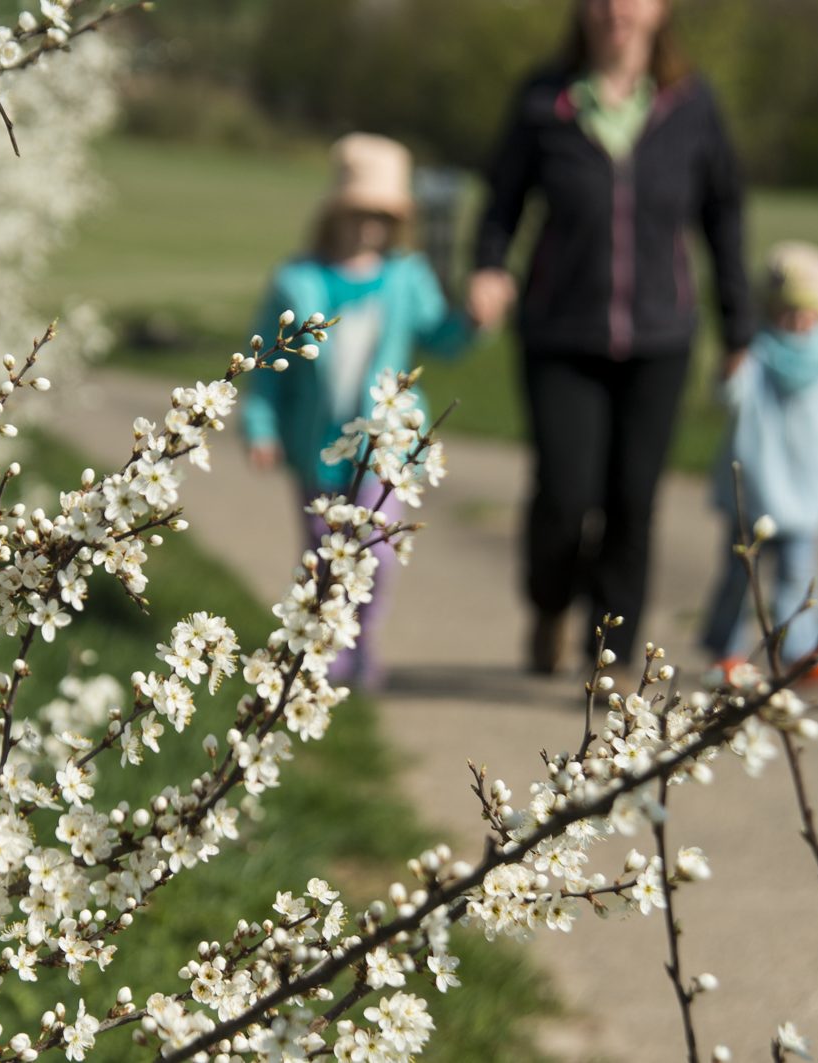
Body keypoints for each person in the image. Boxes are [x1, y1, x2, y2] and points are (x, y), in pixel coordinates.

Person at [467, 0, 752, 673]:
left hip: (660, 338)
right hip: (561, 333)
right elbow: (501, 201)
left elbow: (725, 215)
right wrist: (487, 268)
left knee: (632, 500)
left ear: (660, 9)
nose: (611, 10)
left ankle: (612, 660)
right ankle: (548, 604)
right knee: (565, 495)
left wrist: (740, 325)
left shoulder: (692, 103)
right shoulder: (546, 99)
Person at [242, 132, 472, 692]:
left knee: (376, 554)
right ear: (337, 213)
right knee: (323, 551)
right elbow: (267, 365)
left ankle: (361, 642)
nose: (370, 225)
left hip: (385, 445)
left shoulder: (406, 277)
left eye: (382, 215)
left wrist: (473, 318)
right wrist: (260, 427)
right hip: (315, 445)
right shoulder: (297, 281)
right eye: (360, 212)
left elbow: (439, 337)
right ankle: (321, 647)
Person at [700, 241, 818, 682]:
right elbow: (728, 396)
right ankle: (727, 650)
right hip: (754, 489)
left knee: (799, 577)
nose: (799, 321)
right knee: (741, 579)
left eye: (809, 312)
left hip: (806, 490)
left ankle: (798, 648)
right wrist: (729, 367)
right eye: (788, 311)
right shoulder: (755, 352)